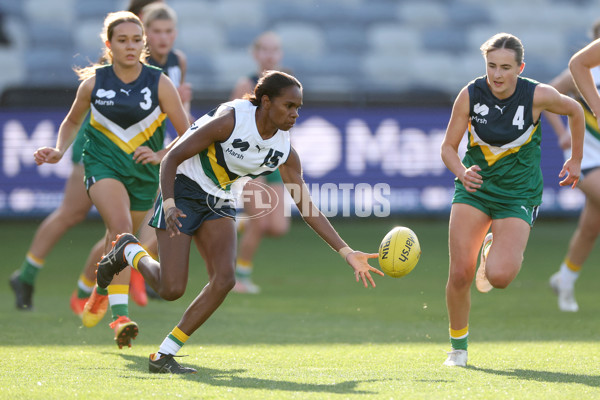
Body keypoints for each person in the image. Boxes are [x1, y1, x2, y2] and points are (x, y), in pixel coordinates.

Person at [95, 70, 384, 373]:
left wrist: (346, 252)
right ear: (266, 102)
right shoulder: (231, 120)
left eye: (298, 108)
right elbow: (172, 158)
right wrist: (168, 203)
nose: (295, 114)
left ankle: (164, 355)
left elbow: (307, 207)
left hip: (219, 199)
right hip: (182, 188)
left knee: (225, 280)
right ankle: (128, 250)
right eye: (289, 106)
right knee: (171, 289)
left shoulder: (285, 151)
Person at [32, 11, 189, 348]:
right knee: (122, 232)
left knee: (125, 243)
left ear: (143, 44)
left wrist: (161, 155)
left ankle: (98, 290)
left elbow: (187, 132)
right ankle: (120, 318)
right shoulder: (94, 83)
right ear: (109, 44)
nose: (130, 46)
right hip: (101, 166)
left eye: (136, 40)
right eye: (122, 40)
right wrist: (60, 151)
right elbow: (72, 122)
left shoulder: (160, 82)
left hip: (144, 173)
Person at [440, 33, 584, 367]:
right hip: (475, 189)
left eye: (506, 67)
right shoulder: (470, 94)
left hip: (519, 194)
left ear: (520, 67)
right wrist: (461, 172)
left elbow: (575, 110)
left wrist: (575, 159)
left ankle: (492, 248)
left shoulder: (537, 94)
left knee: (500, 277)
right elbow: (448, 147)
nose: (497, 74)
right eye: (491, 66)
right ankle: (458, 350)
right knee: (461, 272)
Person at [546, 21, 600, 312]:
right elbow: (550, 95)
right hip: (588, 160)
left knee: (591, 227)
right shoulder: (585, 71)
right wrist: (562, 132)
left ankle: (564, 280)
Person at [230, 31, 290, 294]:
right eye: (264, 50)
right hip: (249, 161)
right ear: (255, 54)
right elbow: (231, 124)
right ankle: (239, 276)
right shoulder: (246, 85)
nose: (269, 54)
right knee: (261, 220)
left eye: (274, 50)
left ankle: (238, 222)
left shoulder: (288, 85)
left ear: (280, 54)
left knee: (278, 227)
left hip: (274, 160)